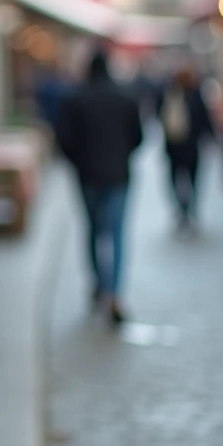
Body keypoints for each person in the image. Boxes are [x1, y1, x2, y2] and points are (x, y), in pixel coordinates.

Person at [55, 50, 143, 325]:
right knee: (116, 234)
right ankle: (114, 292)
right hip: (118, 175)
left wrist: (80, 162)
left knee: (93, 230)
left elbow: (63, 141)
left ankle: (98, 283)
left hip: (88, 176)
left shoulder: (75, 99)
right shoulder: (125, 98)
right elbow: (138, 137)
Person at [157, 64, 215, 231]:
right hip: (190, 146)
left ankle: (182, 208)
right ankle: (189, 207)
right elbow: (204, 119)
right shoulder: (195, 95)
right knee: (193, 178)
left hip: (174, 145)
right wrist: (211, 137)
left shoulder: (169, 93)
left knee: (175, 177)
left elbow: (160, 117)